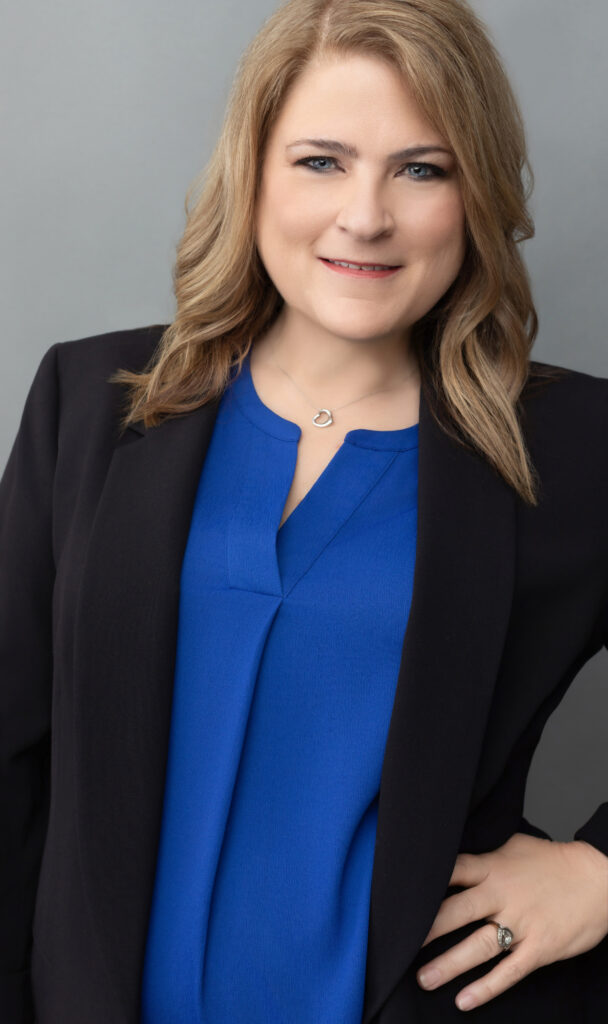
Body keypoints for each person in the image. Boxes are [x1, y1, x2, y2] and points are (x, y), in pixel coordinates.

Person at [1, 0, 607, 1021]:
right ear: (253, 173)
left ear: (474, 193)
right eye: (320, 161)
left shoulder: (575, 445)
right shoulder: (90, 401)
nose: (362, 215)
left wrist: (598, 871)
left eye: (422, 168)